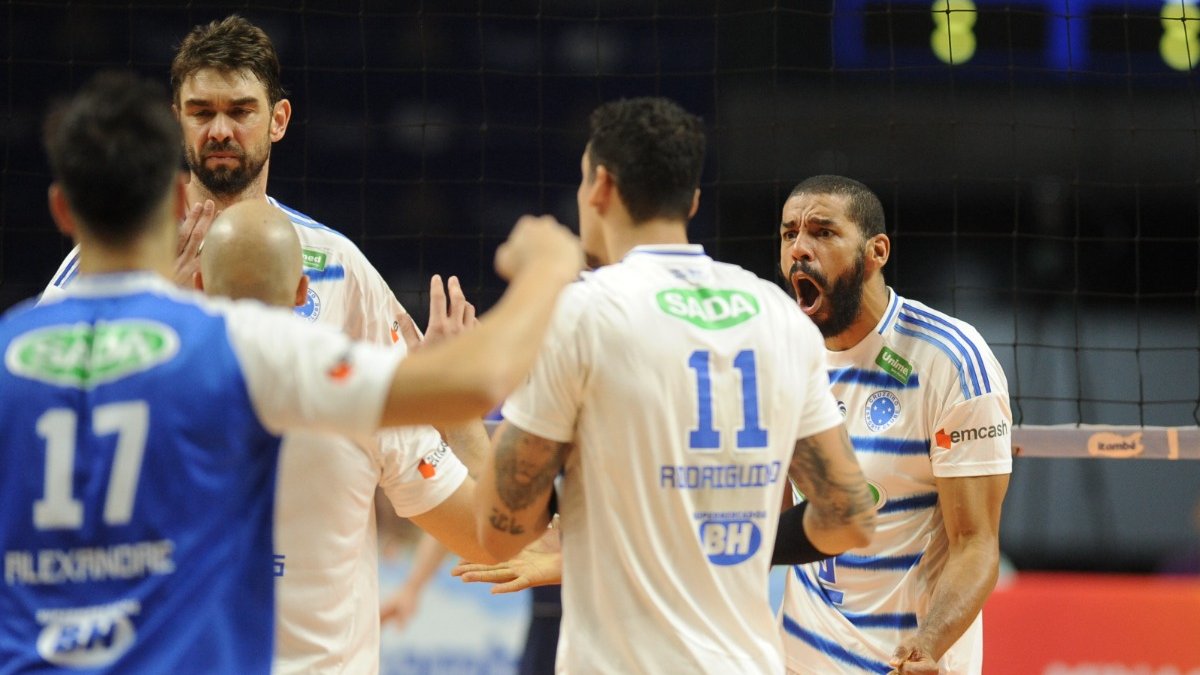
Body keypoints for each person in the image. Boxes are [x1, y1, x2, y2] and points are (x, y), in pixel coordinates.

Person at [0, 69, 582, 674]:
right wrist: (549, 267)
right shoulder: (243, 352)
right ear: (178, 198)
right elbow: (478, 395)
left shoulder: (14, 350)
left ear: (61, 209)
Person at [471, 97, 876, 673]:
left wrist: (459, 415)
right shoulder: (777, 313)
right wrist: (746, 540)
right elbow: (850, 516)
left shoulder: (580, 312)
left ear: (600, 187)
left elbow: (498, 530)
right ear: (691, 200)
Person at [195, 200, 496, 673]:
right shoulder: (363, 394)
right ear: (301, 291)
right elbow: (489, 537)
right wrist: (451, 402)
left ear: (197, 287)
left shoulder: (148, 399)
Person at [777, 175, 1012, 674]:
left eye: (822, 232)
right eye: (789, 233)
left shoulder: (951, 360)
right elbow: (774, 527)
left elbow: (976, 544)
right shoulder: (781, 355)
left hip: (905, 663)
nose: (799, 248)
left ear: (875, 252)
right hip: (798, 657)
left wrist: (927, 647)